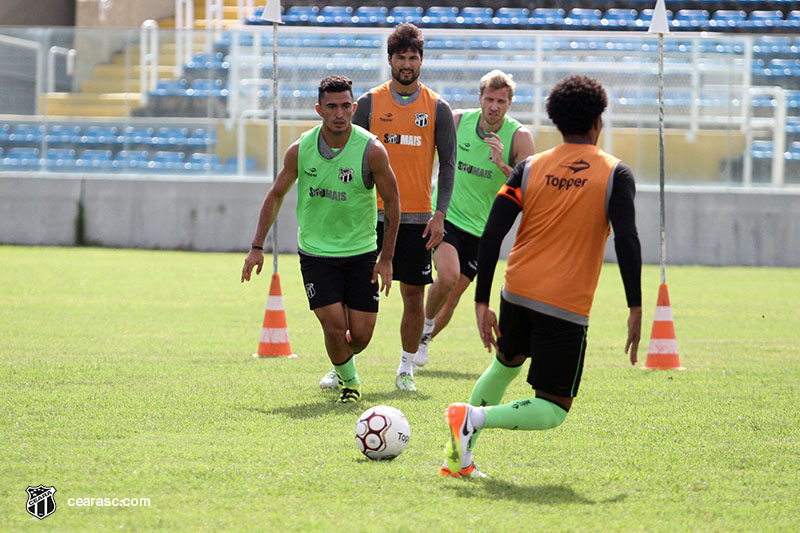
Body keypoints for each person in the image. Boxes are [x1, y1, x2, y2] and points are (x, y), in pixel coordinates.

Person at [442, 74, 642, 477]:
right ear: (598, 121)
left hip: (516, 291)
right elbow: (628, 240)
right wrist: (635, 305)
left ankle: (456, 459)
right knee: (552, 408)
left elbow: (493, 232)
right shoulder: (614, 174)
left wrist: (481, 301)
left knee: (504, 366)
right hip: (563, 305)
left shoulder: (530, 167)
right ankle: (472, 419)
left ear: (556, 121)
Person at [241, 75, 400, 404]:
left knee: (360, 334)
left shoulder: (371, 151)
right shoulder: (300, 150)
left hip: (361, 252)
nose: (339, 113)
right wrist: (257, 247)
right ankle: (350, 383)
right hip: (316, 253)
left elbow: (394, 202)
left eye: (345, 106)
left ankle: (341, 362)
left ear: (354, 107)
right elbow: (276, 195)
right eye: (331, 107)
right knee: (332, 326)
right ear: (319, 109)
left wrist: (386, 257)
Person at [321, 22, 456, 392]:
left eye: (413, 57)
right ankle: (341, 365)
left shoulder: (438, 108)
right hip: (367, 216)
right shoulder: (368, 103)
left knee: (413, 295)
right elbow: (345, 150)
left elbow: (449, 165)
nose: (407, 63)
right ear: (390, 60)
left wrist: (440, 213)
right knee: (353, 293)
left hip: (416, 219)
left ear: (421, 59)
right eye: (401, 57)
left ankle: (406, 368)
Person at [413, 69, 536, 370]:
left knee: (452, 298)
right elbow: (427, 154)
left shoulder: (519, 137)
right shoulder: (457, 121)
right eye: (490, 99)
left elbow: (532, 190)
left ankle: (421, 342)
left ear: (509, 104)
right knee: (449, 275)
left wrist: (503, 166)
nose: (494, 106)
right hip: (447, 217)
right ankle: (422, 331)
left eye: (501, 101)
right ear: (479, 98)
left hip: (483, 232)